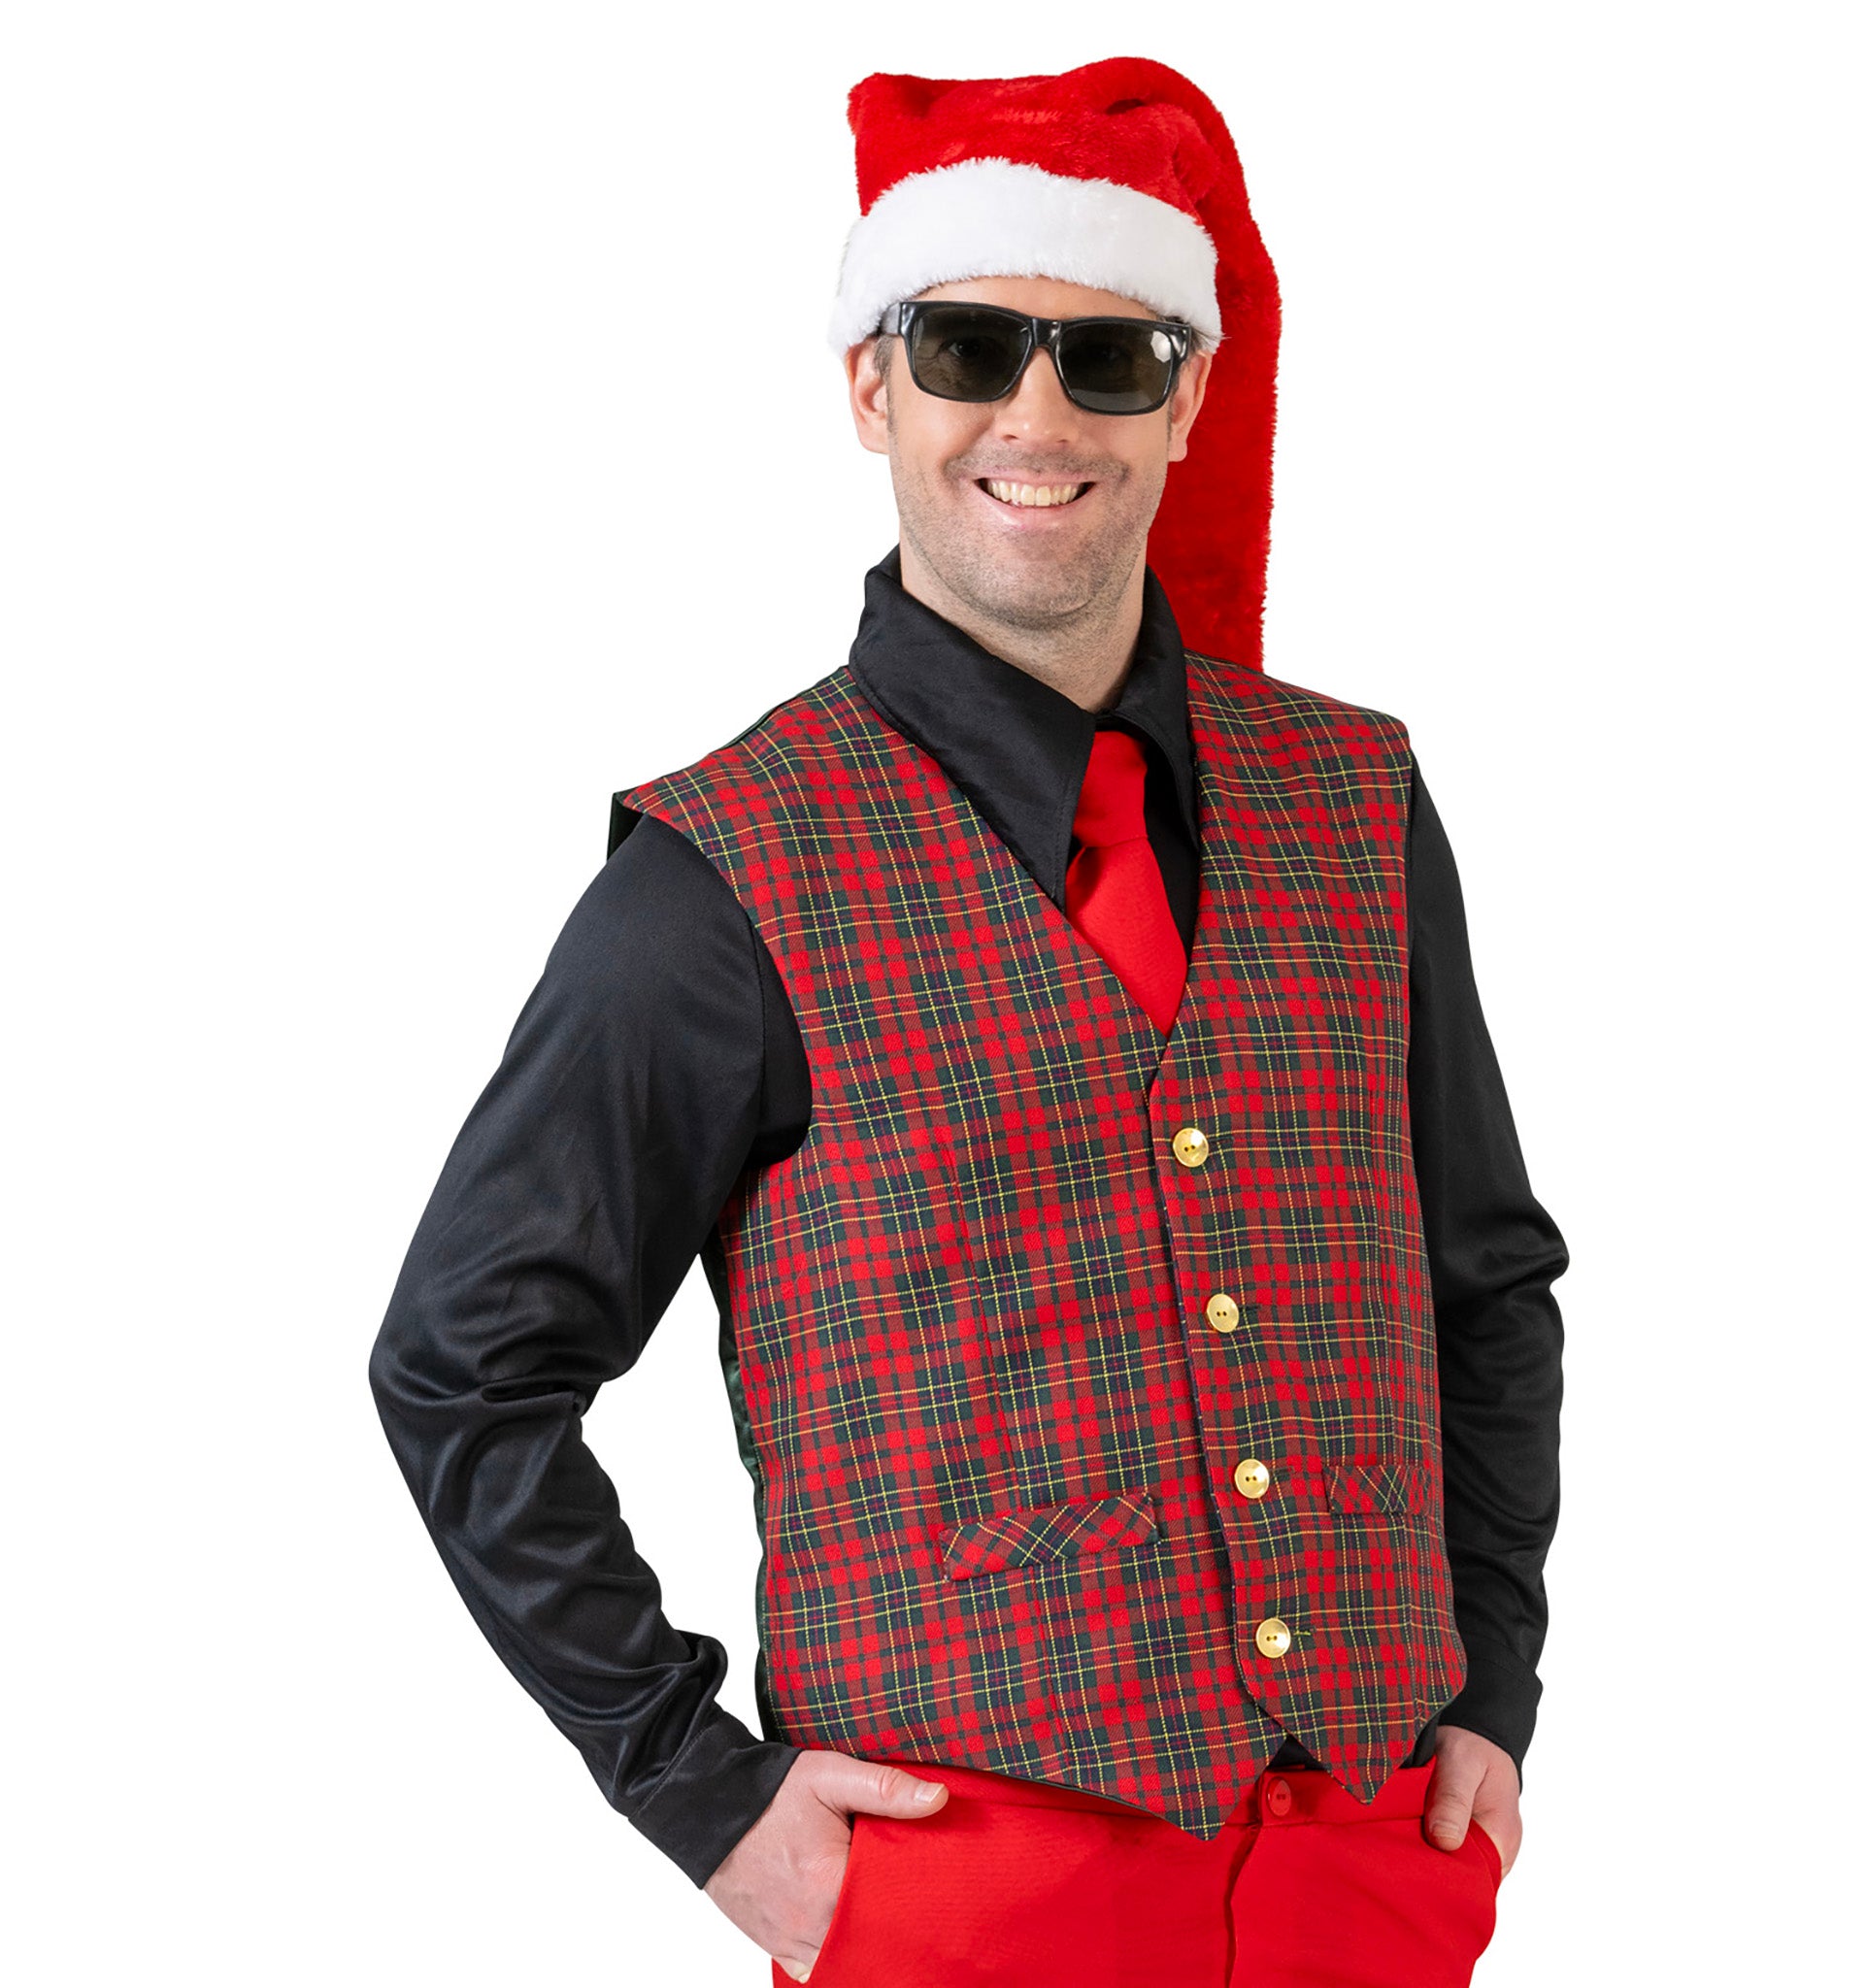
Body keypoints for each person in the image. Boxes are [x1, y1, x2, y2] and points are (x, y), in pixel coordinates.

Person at [370, 56, 1568, 1988]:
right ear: (872, 386)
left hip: (1367, 1875)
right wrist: (698, 1792)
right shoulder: (716, 879)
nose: (1038, 414)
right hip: (967, 1902)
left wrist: (1490, 1690)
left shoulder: (1354, 798)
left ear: (1187, 397)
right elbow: (464, 1366)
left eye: (1109, 358)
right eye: (968, 348)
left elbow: (1484, 1282)